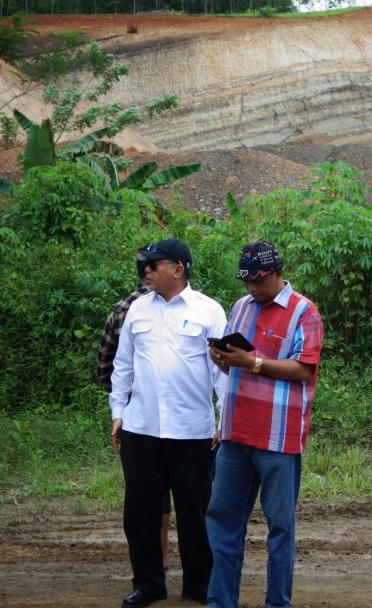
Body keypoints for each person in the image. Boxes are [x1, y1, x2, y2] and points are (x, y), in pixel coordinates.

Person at [109, 239, 228, 607]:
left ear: (178, 268)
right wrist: (118, 412)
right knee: (140, 513)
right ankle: (148, 584)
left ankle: (198, 585)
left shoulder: (209, 311)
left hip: (191, 431)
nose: (145, 271)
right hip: (141, 428)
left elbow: (222, 372)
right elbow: (123, 365)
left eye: (152, 264)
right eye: (142, 265)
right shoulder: (137, 310)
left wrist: (225, 420)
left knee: (196, 513)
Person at [205, 240, 323, 608]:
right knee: (223, 522)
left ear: (276, 273)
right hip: (235, 434)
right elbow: (235, 361)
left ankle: (277, 603)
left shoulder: (305, 312)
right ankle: (220, 602)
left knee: (280, 528)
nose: (251, 289)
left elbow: (304, 368)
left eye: (257, 281)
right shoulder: (241, 306)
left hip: (278, 438)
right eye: (246, 281)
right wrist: (224, 358)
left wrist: (252, 361)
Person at [96, 281, 173, 572]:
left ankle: (159, 556)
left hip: (138, 418)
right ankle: (159, 559)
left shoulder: (121, 308)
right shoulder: (134, 309)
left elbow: (106, 364)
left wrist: (121, 403)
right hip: (146, 418)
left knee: (147, 493)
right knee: (171, 492)